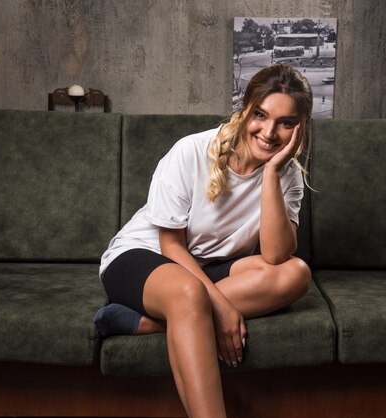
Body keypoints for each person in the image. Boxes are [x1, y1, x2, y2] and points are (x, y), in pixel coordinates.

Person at [96, 63, 313, 418]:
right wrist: (222, 307)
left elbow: (275, 255)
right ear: (244, 110)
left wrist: (272, 172)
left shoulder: (286, 175)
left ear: (299, 129)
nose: (269, 132)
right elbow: (171, 247)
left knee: (296, 273)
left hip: (206, 268)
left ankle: (156, 323)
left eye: (285, 122)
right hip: (143, 258)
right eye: (260, 114)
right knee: (188, 293)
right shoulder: (192, 151)